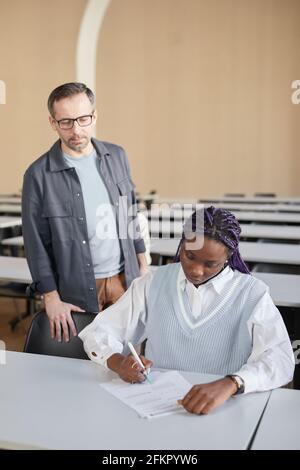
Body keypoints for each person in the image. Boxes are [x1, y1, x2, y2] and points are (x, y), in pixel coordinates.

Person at [79, 206, 295, 415]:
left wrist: (232, 383)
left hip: (226, 409)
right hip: (157, 407)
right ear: (182, 245)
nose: (196, 270)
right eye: (189, 256)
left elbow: (280, 360)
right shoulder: (153, 282)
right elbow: (99, 331)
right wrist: (119, 362)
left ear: (228, 257)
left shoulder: (252, 293)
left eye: (210, 264)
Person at [22, 82, 148, 343]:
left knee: (128, 358)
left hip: (126, 280)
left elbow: (130, 213)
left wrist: (143, 265)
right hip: (77, 290)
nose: (76, 130)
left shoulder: (117, 156)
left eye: (83, 119)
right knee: (84, 360)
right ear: (52, 122)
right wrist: (51, 297)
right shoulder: (38, 175)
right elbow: (35, 245)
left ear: (95, 116)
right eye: (66, 122)